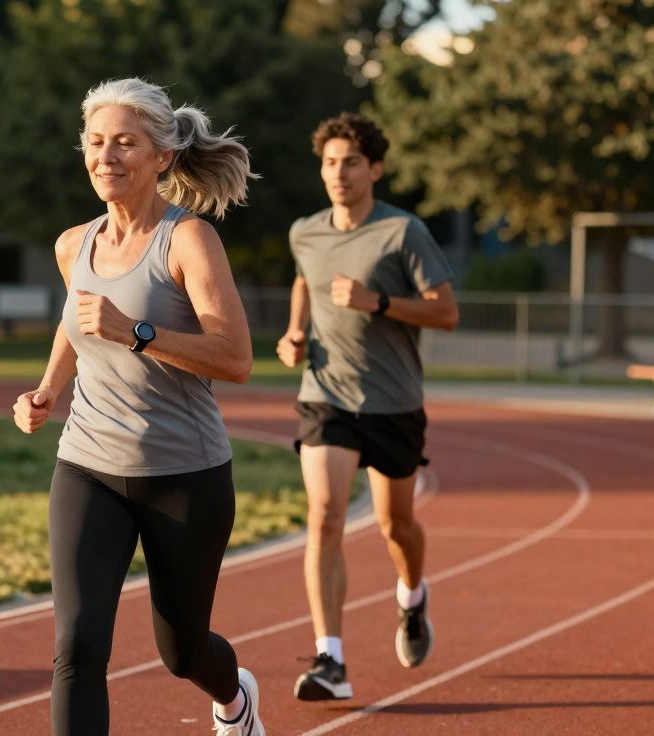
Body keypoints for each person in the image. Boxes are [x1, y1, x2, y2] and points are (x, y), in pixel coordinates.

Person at [12, 77, 263, 736]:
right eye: (96, 142)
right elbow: (77, 321)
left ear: (163, 157)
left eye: (125, 142)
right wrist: (48, 389)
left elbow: (236, 359)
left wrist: (139, 332)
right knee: (78, 645)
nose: (106, 156)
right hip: (88, 465)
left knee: (182, 652)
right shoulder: (76, 244)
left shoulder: (189, 241)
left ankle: (234, 700)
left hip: (184, 474)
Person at [277, 112, 459, 701]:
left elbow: (446, 312)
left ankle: (411, 596)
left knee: (394, 526)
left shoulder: (404, 233)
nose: (339, 173)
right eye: (330, 163)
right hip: (326, 393)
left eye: (351, 162)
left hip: (394, 401)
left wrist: (376, 302)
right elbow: (305, 279)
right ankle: (330, 658)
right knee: (326, 515)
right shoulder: (305, 232)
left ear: (375, 168)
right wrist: (294, 333)